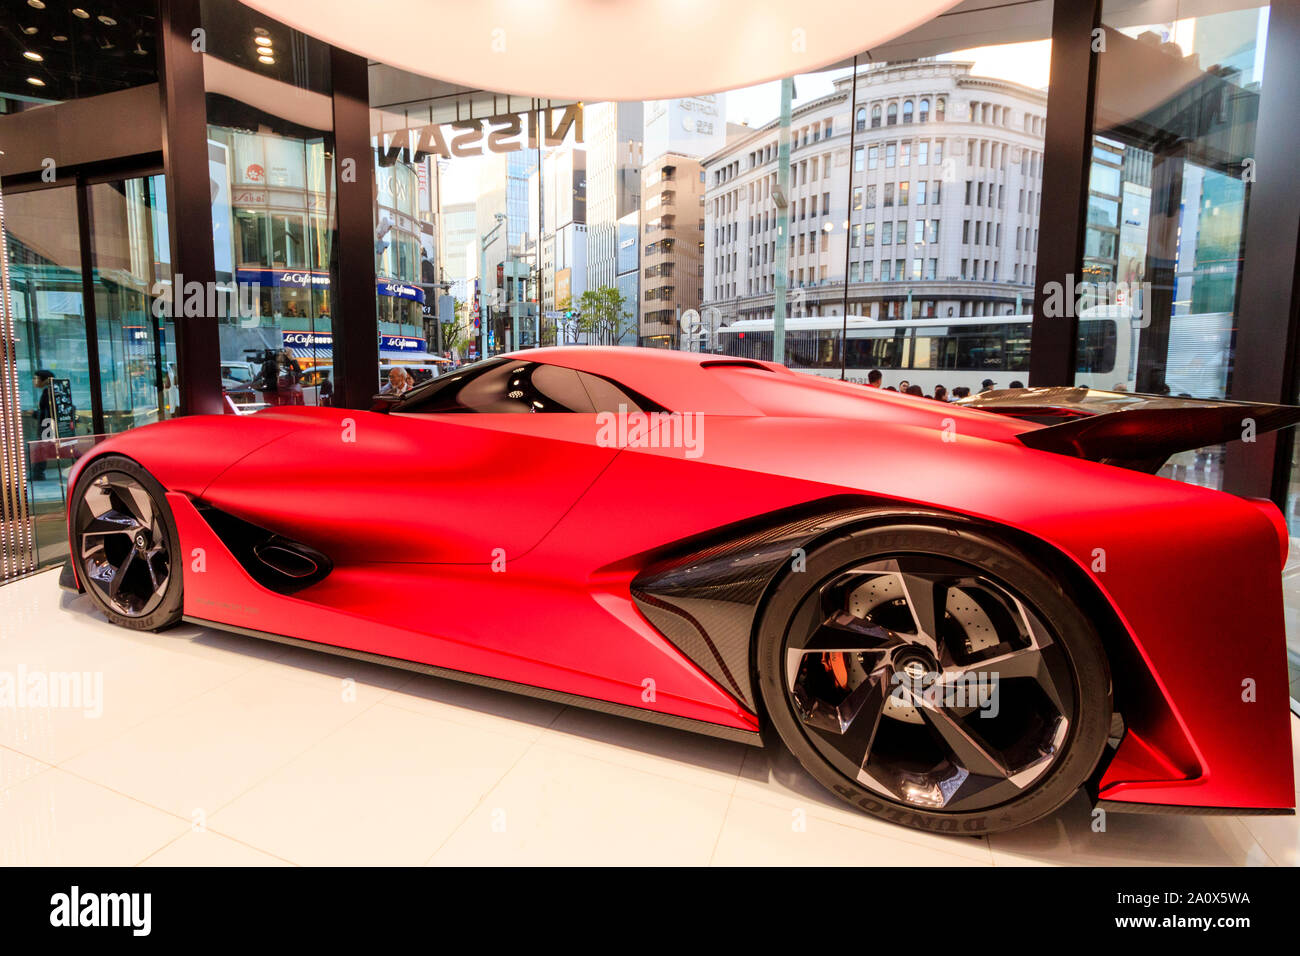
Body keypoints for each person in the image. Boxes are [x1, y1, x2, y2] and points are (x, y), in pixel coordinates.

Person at [29, 370, 55, 480]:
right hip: (49, 427)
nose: (34, 381)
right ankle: (38, 474)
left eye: (36, 378)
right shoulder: (50, 391)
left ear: (44, 380)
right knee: (41, 451)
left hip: (47, 427)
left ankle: (38, 474)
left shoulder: (47, 393)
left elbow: (48, 412)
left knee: (40, 451)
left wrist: (34, 413)